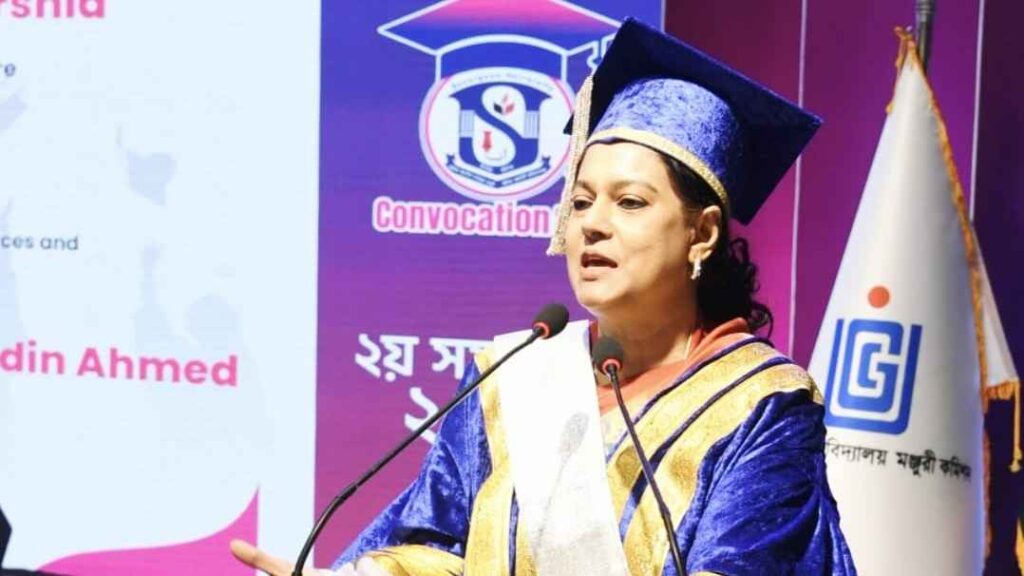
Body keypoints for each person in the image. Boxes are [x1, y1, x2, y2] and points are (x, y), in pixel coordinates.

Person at [232, 18, 857, 576]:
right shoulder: (514, 377)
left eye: (629, 202)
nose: (593, 224)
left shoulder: (761, 404)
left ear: (703, 233)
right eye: (580, 201)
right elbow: (440, 550)